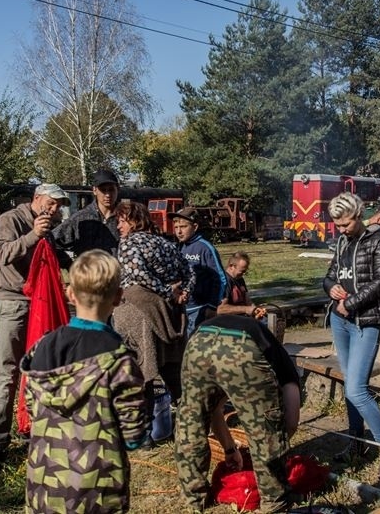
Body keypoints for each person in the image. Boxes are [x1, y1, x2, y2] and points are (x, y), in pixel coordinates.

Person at [21, 250, 149, 513]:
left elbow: (32, 407)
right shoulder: (119, 360)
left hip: (45, 484)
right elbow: (133, 435)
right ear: (118, 297)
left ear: (70, 294)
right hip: (97, 490)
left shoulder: (42, 347)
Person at [0, 183, 70, 470]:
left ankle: (34, 428)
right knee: (7, 374)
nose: (54, 209)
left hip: (41, 304)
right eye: (51, 202)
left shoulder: (48, 229)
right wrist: (33, 235)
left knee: (41, 370)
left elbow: (56, 260)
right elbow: (3, 254)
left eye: (59, 206)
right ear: (36, 198)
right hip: (14, 304)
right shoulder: (9, 221)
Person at [175, 314, 300, 513]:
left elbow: (215, 410)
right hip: (242, 346)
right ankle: (274, 502)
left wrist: (230, 449)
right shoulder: (283, 363)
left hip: (199, 343)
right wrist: (279, 444)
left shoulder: (259, 340)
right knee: (265, 427)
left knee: (191, 421)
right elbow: (290, 422)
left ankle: (193, 497)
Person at [323, 193, 380, 471]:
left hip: (366, 320)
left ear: (359, 215)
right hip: (340, 320)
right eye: (338, 225)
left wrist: (350, 303)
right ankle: (356, 441)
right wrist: (330, 287)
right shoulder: (342, 242)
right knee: (349, 384)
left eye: (346, 224)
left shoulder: (377, 239)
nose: (342, 230)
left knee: (356, 389)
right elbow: (330, 274)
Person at [112, 200, 190, 402]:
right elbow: (189, 272)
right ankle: (187, 412)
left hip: (139, 314)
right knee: (172, 371)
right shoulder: (166, 244)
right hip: (167, 315)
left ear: (135, 221)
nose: (118, 226)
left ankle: (144, 417)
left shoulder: (129, 243)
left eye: (122, 221)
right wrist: (183, 292)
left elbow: (139, 274)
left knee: (140, 370)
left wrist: (167, 292)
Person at [171, 207, 228, 337]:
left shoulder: (205, 248)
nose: (179, 231)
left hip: (200, 308)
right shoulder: (177, 247)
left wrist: (213, 305)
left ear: (195, 227)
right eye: (176, 227)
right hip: (182, 307)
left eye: (183, 227)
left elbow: (220, 278)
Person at [52, 168, 121, 261]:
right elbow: (52, 241)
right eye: (103, 190)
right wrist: (69, 264)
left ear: (118, 189)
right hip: (88, 269)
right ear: (95, 190)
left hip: (117, 269)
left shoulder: (126, 217)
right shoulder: (81, 218)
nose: (107, 195)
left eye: (111, 190)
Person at [217, 251, 263, 318]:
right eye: (242, 271)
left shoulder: (240, 279)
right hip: (229, 319)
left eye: (245, 271)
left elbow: (248, 300)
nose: (243, 274)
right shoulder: (224, 282)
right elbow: (220, 309)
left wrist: (255, 310)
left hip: (244, 318)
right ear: (231, 266)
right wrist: (246, 309)